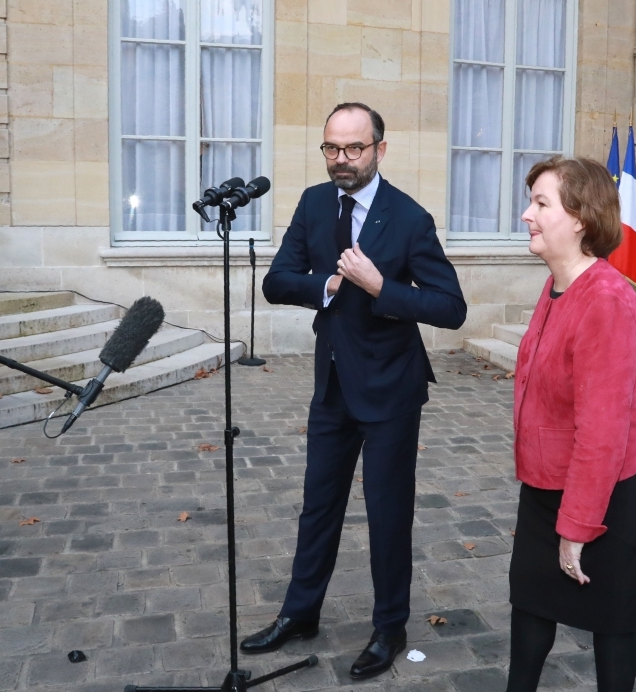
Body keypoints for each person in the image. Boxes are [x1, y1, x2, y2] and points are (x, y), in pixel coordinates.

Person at [246, 102, 467, 679]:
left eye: (353, 149)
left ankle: (389, 626)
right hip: (334, 383)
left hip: (392, 388)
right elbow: (276, 281)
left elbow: (451, 307)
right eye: (330, 149)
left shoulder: (409, 217)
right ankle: (301, 613)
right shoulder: (314, 204)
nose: (340, 160)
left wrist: (380, 287)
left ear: (379, 150)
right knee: (318, 505)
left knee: (387, 513)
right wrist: (326, 284)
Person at [506, 156, 636, 692]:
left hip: (611, 493)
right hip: (548, 484)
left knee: (611, 625)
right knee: (529, 605)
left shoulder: (608, 300)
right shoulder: (555, 286)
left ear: (579, 218)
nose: (527, 214)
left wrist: (575, 528)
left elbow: (603, 432)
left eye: (541, 203)